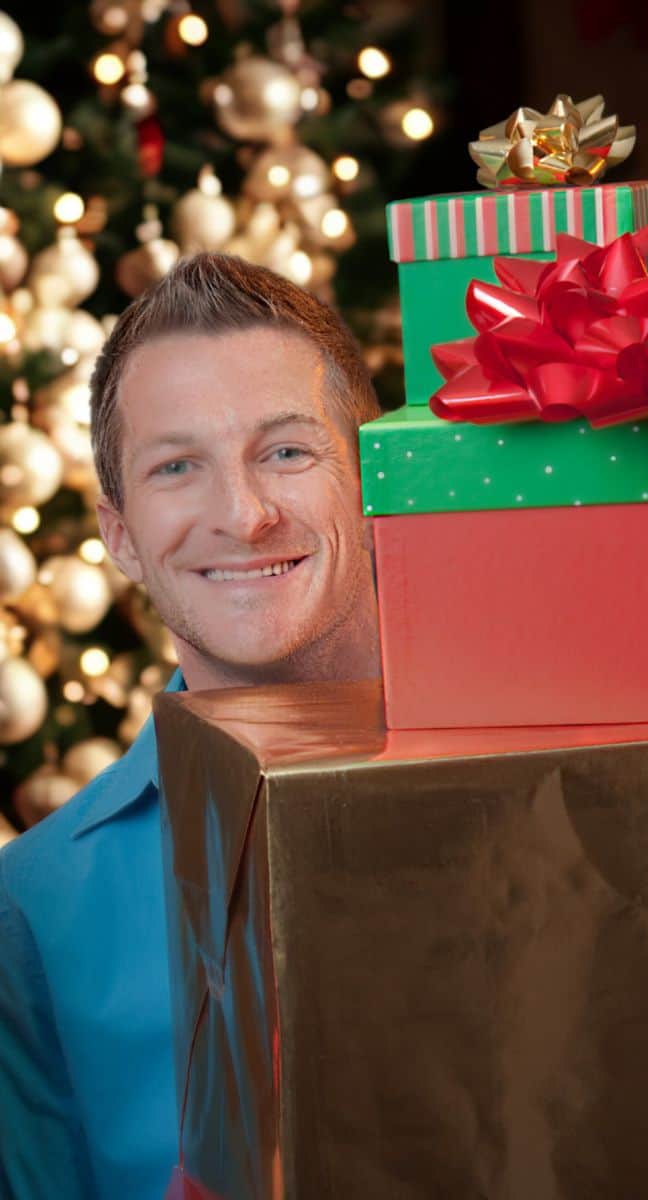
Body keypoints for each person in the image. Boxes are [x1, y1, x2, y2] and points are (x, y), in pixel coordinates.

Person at [0, 254, 382, 1199]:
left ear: (377, 481)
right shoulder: (29, 911)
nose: (243, 516)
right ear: (121, 535)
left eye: (287, 452)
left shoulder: (553, 766)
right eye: (177, 467)